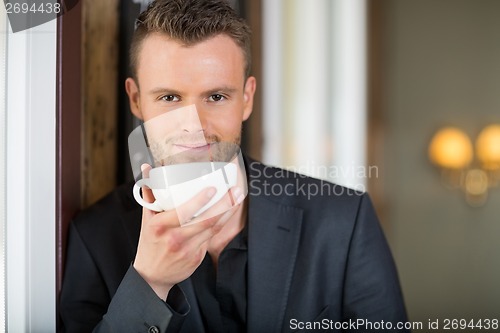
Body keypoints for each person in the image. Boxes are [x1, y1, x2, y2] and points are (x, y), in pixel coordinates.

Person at [59, 0, 409, 332]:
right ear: (136, 99)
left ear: (247, 98)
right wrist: (149, 283)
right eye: (169, 98)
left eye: (216, 97)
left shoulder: (344, 221)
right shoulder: (94, 238)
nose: (193, 126)